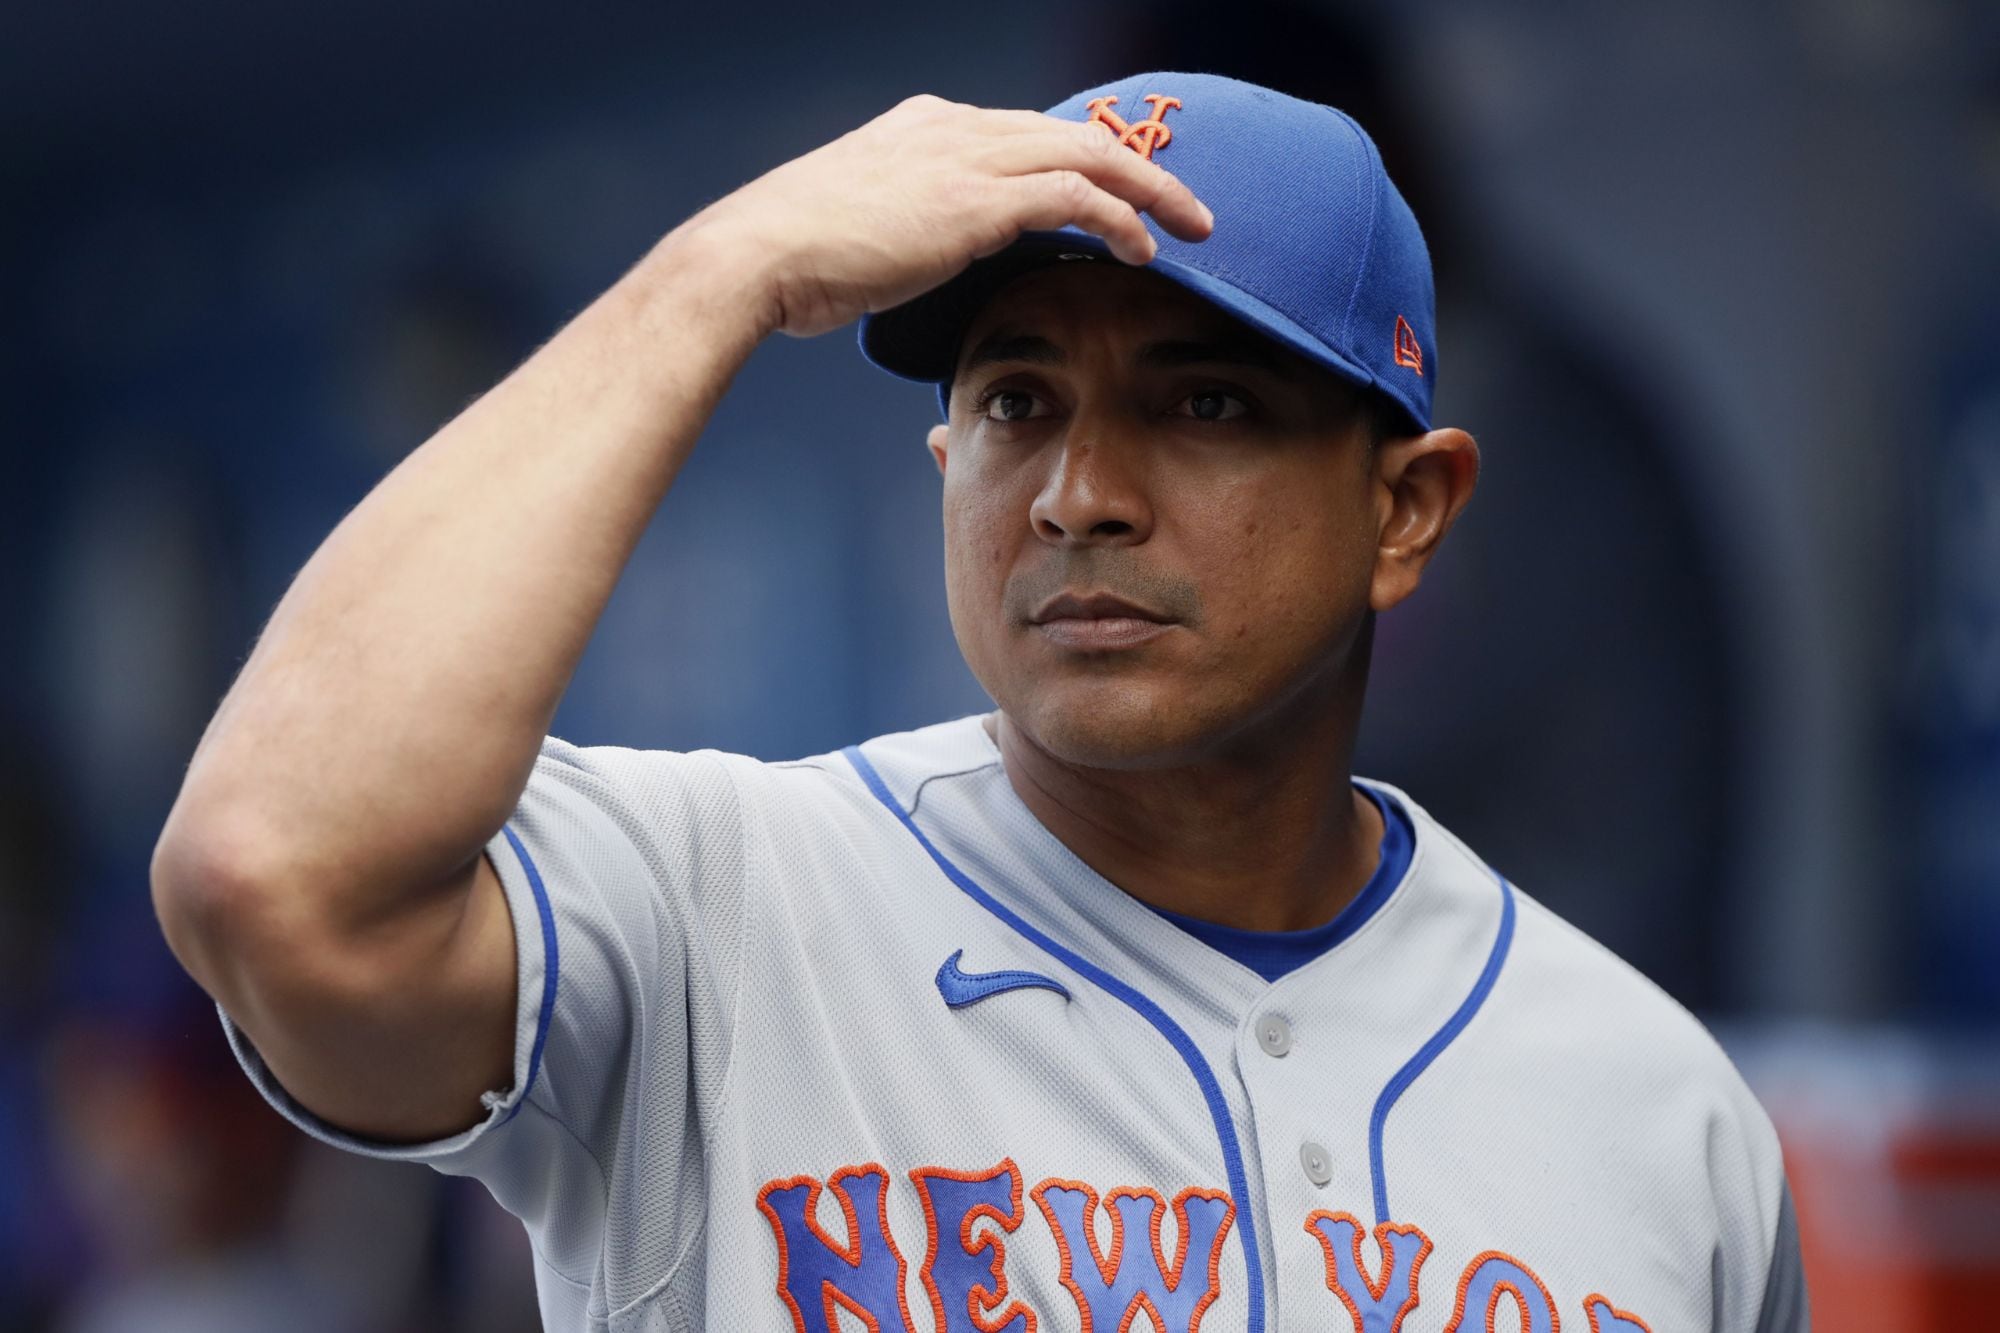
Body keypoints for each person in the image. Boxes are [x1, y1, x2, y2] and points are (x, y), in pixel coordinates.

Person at [151, 72, 1806, 1332]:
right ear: (949, 465)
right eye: (1017, 399)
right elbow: (270, 872)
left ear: (1406, 510)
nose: (1079, 490)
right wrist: (716, 273)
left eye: (1203, 400)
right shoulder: (716, 906)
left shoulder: (1663, 1115)